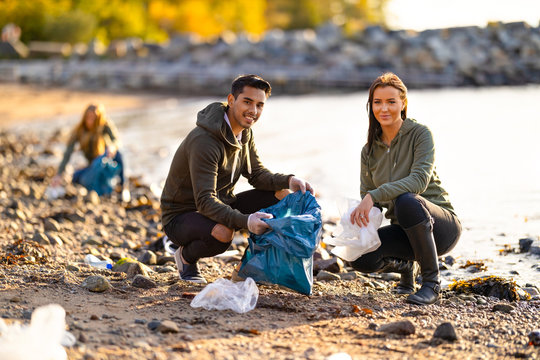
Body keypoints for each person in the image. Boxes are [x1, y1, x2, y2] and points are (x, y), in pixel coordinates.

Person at [160, 74, 314, 284]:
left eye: (260, 105)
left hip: (219, 204)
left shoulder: (244, 133)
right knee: (224, 234)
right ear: (231, 100)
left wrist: (289, 180)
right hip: (182, 216)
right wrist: (246, 221)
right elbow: (204, 201)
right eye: (247, 102)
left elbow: (257, 175)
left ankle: (255, 267)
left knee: (281, 195)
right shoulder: (205, 141)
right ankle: (186, 257)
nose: (254, 111)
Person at [349, 72, 461, 305]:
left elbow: (419, 181)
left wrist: (373, 195)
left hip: (440, 227)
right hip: (404, 233)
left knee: (407, 200)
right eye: (377, 102)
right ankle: (406, 266)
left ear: (403, 103)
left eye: (391, 101)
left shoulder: (420, 135)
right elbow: (371, 201)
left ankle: (431, 283)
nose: (384, 109)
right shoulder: (368, 151)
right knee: (357, 256)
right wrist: (356, 222)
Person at [51, 103, 126, 197]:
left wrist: (112, 147)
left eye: (93, 118)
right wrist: (59, 174)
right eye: (88, 117)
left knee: (119, 154)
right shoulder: (79, 130)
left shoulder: (104, 125)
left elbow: (116, 140)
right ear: (84, 117)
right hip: (92, 165)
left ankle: (123, 186)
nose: (90, 121)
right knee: (75, 178)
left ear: (98, 118)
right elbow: (68, 153)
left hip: (104, 160)